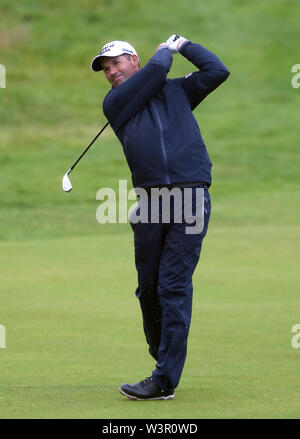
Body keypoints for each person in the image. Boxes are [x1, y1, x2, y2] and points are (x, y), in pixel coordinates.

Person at [91, 35, 230, 400]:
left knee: (172, 285)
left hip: (190, 196)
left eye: (116, 63)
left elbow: (218, 70)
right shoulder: (116, 103)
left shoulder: (178, 91)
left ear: (132, 59)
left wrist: (184, 45)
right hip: (151, 201)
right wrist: (164, 51)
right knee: (148, 288)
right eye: (105, 69)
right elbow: (155, 71)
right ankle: (163, 355)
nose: (110, 72)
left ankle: (164, 378)